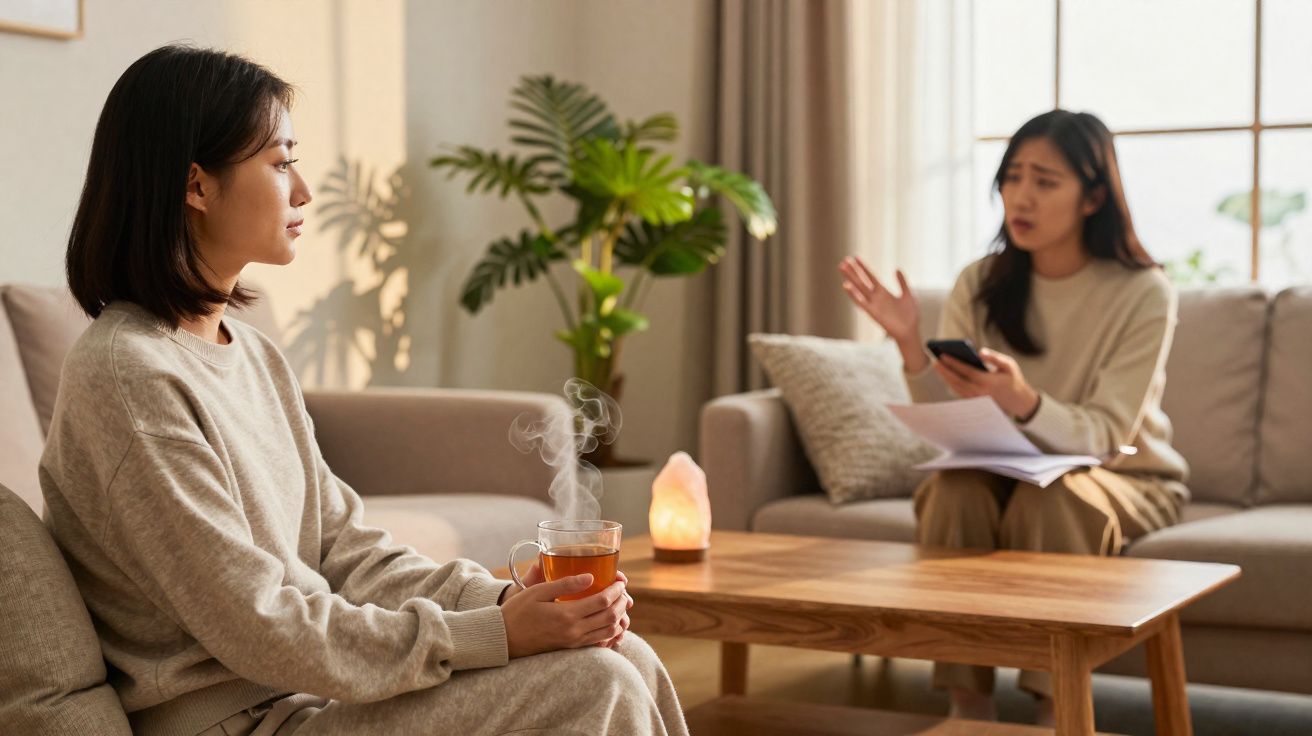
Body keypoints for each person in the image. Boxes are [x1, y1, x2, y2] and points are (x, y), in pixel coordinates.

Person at [42, 44, 688, 736]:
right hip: (240, 720)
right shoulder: (128, 376)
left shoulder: (251, 354)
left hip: (310, 697)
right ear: (196, 186)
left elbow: (346, 549)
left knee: (623, 654)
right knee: (593, 681)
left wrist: (503, 603)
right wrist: (494, 635)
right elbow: (256, 623)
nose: (302, 191)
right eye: (280, 163)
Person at [839, 109, 1188, 726]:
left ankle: (1058, 709)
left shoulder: (1143, 293)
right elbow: (951, 421)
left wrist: (1023, 400)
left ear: (1093, 197)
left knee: (1053, 499)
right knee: (953, 491)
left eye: (1045, 181)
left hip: (1125, 477)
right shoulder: (980, 282)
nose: (1021, 196)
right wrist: (910, 346)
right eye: (1012, 177)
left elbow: (1109, 435)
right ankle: (968, 708)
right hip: (1002, 471)